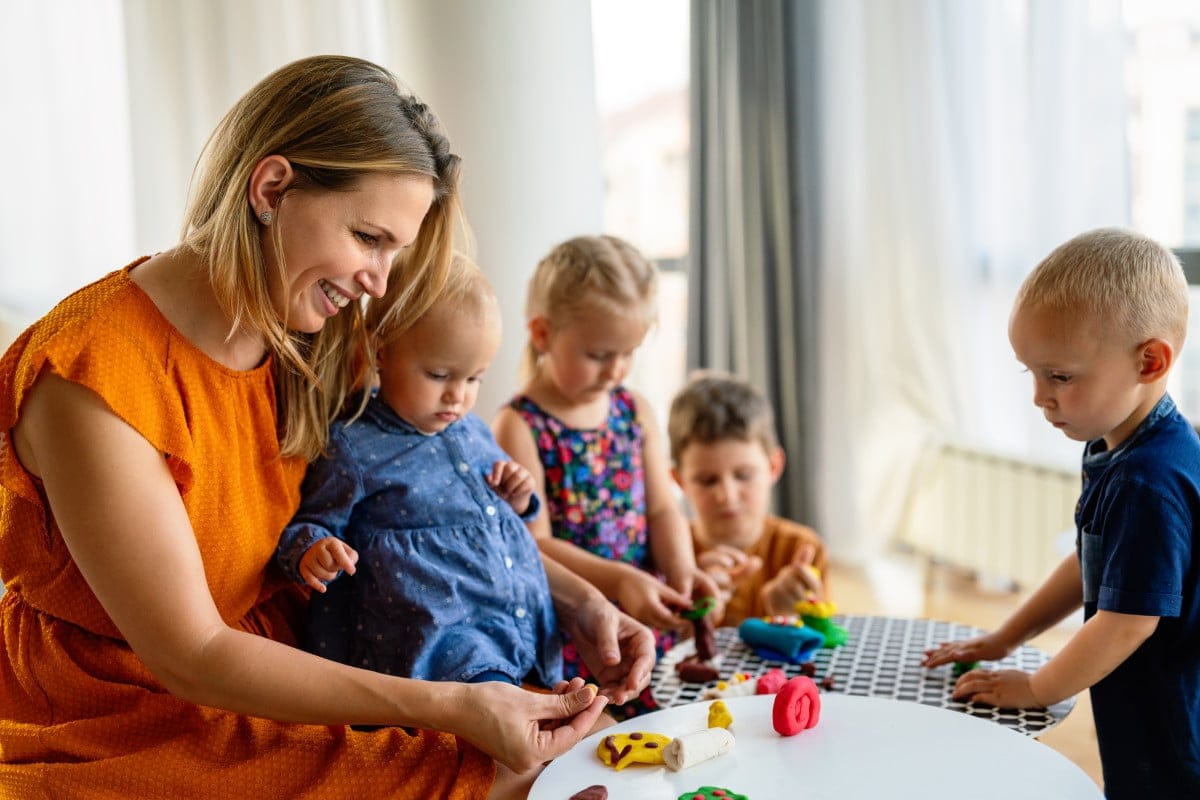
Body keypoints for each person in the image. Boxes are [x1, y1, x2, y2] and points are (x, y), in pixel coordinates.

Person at [0, 55, 654, 799]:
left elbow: (433, 520)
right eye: (370, 237)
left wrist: (583, 601)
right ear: (272, 187)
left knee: (580, 754)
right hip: (121, 710)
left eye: (396, 251)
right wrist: (453, 709)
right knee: (507, 776)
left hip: (294, 654)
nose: (380, 281)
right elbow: (192, 653)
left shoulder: (315, 336)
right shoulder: (92, 378)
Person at [922, 228, 1200, 798]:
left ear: (1149, 361)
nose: (1040, 398)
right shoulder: (1111, 446)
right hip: (1142, 708)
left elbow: (1127, 623)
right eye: (1032, 373)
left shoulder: (1148, 479)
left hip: (1172, 726)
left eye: (1061, 377)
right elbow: (1092, 560)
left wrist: (1036, 687)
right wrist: (1005, 637)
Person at [275, 253, 564, 689]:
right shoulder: (355, 445)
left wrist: (518, 498)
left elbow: (495, 517)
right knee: (501, 711)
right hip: (437, 639)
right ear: (381, 349)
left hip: (515, 615)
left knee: (566, 703)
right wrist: (316, 550)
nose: (457, 397)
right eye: (439, 374)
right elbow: (315, 521)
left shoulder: (473, 429)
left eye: (474, 379)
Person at [493, 234, 719, 719]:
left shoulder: (633, 410)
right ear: (542, 333)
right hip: (575, 629)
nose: (616, 370)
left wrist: (681, 569)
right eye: (598, 354)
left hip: (642, 609)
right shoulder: (519, 425)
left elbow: (661, 509)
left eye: (629, 352)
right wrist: (621, 580)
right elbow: (534, 545)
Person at [667, 371, 828, 625]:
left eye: (743, 475)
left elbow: (824, 649)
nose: (726, 496)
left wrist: (790, 618)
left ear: (773, 467)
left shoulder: (801, 549)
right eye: (707, 480)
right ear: (679, 481)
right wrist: (691, 614)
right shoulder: (666, 556)